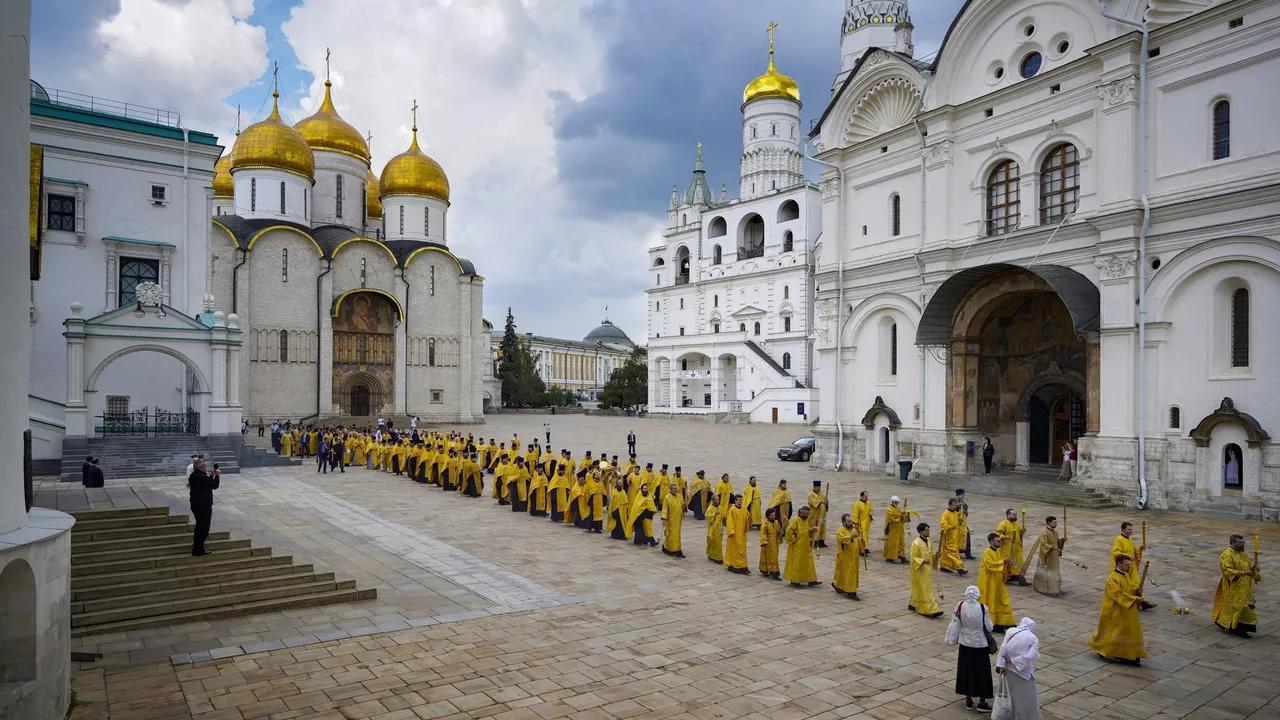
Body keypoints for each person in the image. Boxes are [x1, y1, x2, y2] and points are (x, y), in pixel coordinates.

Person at [1089, 554, 1147, 666]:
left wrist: (1136, 590)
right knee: (1119, 632)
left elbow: (1129, 587)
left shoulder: (1125, 575)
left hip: (1128, 610)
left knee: (1131, 631)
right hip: (1116, 611)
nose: (1128, 567)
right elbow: (1117, 594)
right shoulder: (1112, 579)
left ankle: (1131, 653)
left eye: (1129, 565)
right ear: (1119, 563)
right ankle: (1122, 655)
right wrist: (1135, 599)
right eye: (1126, 564)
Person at [947, 586, 994, 713]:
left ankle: (968, 700)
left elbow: (956, 622)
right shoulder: (983, 608)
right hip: (980, 645)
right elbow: (989, 627)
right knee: (982, 673)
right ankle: (982, 702)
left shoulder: (960, 605)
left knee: (966, 671)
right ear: (977, 595)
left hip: (965, 644)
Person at [1213, 534, 1260, 638]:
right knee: (1236, 607)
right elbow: (1227, 570)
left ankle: (1242, 626)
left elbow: (1248, 565)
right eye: (1240, 543)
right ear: (1233, 543)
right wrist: (1243, 573)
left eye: (1243, 542)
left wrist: (1254, 568)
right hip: (1233, 586)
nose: (1243, 544)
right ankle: (1233, 627)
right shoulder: (1227, 554)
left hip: (1245, 587)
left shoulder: (1243, 553)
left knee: (1245, 606)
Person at [995, 618, 1042, 720]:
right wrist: (1013, 660)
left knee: (1010, 696)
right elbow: (1029, 657)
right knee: (1025, 698)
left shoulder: (1010, 631)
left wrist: (1001, 665)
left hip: (1008, 671)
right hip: (1023, 673)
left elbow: (1003, 649)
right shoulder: (1033, 638)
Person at [1110, 522, 1155, 610]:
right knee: (1127, 585)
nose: (1131, 531)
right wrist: (1127, 557)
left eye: (1131, 529)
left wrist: (1140, 548)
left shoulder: (1130, 539)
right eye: (1129, 529)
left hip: (1132, 566)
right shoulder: (1118, 539)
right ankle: (1135, 602)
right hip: (1124, 567)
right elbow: (1115, 552)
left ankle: (1141, 602)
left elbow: (1135, 551)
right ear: (1123, 529)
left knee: (1137, 584)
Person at [979, 533, 1016, 632]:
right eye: (998, 541)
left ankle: (1003, 622)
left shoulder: (997, 551)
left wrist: (1006, 563)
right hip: (989, 583)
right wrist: (1003, 561)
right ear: (992, 541)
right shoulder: (987, 552)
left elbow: (999, 564)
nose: (1000, 542)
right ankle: (993, 623)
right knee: (992, 602)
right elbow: (989, 565)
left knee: (1002, 600)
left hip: (998, 582)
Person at [188, 458, 221, 556]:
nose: (206, 466)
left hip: (196, 505)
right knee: (204, 528)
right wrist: (217, 476)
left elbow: (206, 485)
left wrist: (211, 475)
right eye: (205, 465)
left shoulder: (193, 476)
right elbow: (214, 485)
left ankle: (197, 546)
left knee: (199, 526)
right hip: (204, 506)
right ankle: (198, 549)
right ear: (201, 467)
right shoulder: (201, 477)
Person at [910, 523, 944, 618]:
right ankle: (927, 609)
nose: (928, 532)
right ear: (920, 531)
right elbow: (914, 558)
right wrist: (923, 561)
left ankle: (913, 603)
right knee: (925, 590)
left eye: (928, 530)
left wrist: (936, 556)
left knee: (925, 588)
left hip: (927, 570)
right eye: (926, 530)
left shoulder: (929, 541)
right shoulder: (915, 543)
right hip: (919, 571)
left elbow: (931, 556)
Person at [783, 506, 819, 587]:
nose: (806, 516)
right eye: (805, 514)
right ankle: (795, 580)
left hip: (805, 546)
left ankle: (811, 579)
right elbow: (789, 531)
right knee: (797, 564)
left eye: (807, 514)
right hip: (797, 547)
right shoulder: (795, 520)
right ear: (800, 513)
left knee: (808, 563)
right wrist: (794, 540)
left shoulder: (805, 520)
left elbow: (805, 530)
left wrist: (812, 530)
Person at [1031, 516, 1065, 597]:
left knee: (1055, 571)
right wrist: (1051, 547)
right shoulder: (1044, 532)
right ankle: (1046, 589)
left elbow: (1057, 543)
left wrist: (1062, 541)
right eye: (1054, 522)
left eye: (1056, 522)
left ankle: (1056, 588)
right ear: (1049, 523)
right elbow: (1044, 543)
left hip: (1055, 556)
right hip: (1048, 555)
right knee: (1048, 572)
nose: (1056, 524)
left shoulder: (1055, 532)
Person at [832, 514, 862, 599]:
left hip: (854, 556)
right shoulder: (840, 531)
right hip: (845, 557)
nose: (851, 522)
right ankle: (851, 592)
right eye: (848, 521)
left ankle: (839, 586)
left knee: (846, 573)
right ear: (843, 522)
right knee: (849, 573)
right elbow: (843, 539)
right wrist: (852, 536)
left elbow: (857, 539)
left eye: (851, 521)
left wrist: (861, 544)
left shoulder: (853, 529)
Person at [996, 508, 1027, 585]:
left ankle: (1015, 576)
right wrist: (1004, 537)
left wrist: (1022, 531)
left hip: (1016, 549)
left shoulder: (1016, 524)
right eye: (1014, 514)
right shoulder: (1003, 523)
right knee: (1007, 563)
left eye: (1016, 514)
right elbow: (998, 534)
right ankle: (1006, 577)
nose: (1015, 516)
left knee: (1017, 563)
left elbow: (1020, 532)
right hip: (1007, 549)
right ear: (1008, 515)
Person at [939, 498, 967, 575]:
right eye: (954, 505)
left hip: (954, 537)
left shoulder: (954, 513)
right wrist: (951, 527)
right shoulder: (945, 514)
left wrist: (962, 515)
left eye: (956, 505)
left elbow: (958, 521)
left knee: (946, 553)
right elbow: (943, 524)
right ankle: (959, 568)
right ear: (950, 505)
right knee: (953, 553)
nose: (955, 507)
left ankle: (944, 566)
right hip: (948, 538)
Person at [724, 494, 750, 575]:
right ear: (735, 500)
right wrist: (731, 531)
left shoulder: (744, 509)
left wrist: (749, 520)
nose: (740, 501)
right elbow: (729, 522)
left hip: (742, 533)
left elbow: (748, 517)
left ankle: (744, 566)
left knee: (742, 550)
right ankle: (734, 565)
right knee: (735, 550)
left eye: (741, 500)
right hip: (734, 534)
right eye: (739, 500)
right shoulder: (732, 510)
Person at [659, 480, 684, 557]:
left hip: (678, 520)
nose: (675, 490)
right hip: (671, 520)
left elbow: (682, 505)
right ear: (670, 489)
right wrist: (664, 518)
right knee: (670, 534)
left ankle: (677, 549)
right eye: (673, 488)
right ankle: (669, 548)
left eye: (676, 488)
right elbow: (665, 509)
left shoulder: (679, 496)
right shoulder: (667, 497)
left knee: (677, 535)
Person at [883, 496, 909, 563]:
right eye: (896, 502)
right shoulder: (889, 509)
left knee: (901, 542)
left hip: (899, 529)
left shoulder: (898, 508)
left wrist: (904, 515)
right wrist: (900, 515)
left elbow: (901, 517)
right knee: (892, 543)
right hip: (892, 529)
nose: (897, 503)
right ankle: (890, 557)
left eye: (897, 502)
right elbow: (892, 518)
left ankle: (902, 556)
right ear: (893, 502)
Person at [759, 506, 782, 580]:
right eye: (772, 515)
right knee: (768, 558)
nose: (774, 517)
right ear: (768, 516)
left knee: (774, 558)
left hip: (774, 544)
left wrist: (780, 533)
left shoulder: (776, 522)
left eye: (774, 515)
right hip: (768, 545)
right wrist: (765, 542)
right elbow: (763, 534)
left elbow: (778, 531)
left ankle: (773, 571)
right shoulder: (765, 524)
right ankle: (770, 571)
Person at [851, 491, 872, 556]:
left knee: (866, 536)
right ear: (861, 496)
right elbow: (855, 514)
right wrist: (856, 523)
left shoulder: (869, 503)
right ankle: (861, 550)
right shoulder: (857, 504)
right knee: (860, 536)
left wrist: (871, 514)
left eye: (867, 496)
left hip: (866, 522)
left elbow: (871, 510)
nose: (867, 498)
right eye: (865, 496)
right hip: (860, 522)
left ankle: (866, 547)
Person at [808, 481, 828, 548]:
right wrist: (821, 501)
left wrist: (826, 502)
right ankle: (814, 541)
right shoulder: (811, 494)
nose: (818, 488)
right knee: (815, 527)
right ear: (814, 487)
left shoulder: (821, 494)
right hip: (814, 515)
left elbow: (825, 501)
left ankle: (821, 541)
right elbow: (814, 503)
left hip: (822, 514)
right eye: (817, 487)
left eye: (819, 487)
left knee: (822, 528)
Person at [705, 496, 725, 564]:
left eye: (718, 499)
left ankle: (712, 555)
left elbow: (723, 516)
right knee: (716, 543)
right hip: (713, 528)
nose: (718, 501)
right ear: (713, 500)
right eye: (716, 500)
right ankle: (717, 558)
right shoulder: (710, 508)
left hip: (720, 528)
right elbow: (708, 517)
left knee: (718, 543)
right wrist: (714, 514)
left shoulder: (720, 507)